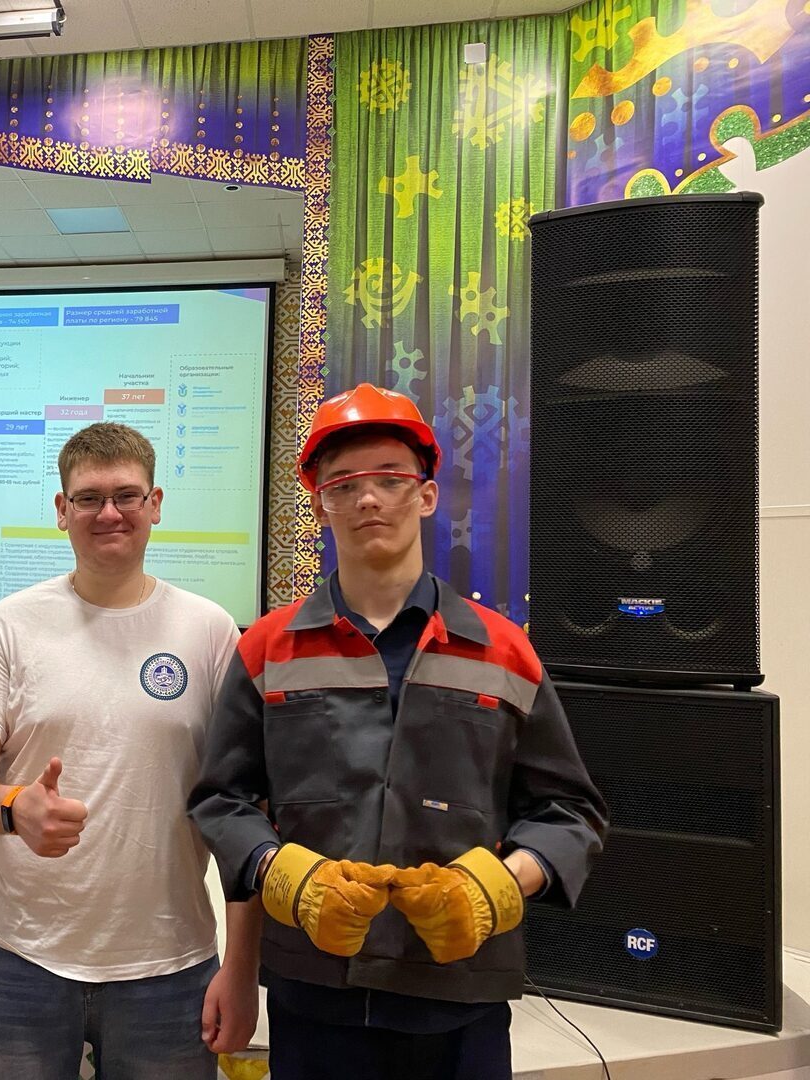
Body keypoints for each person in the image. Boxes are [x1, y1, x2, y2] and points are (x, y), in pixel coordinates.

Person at [188, 384, 608, 1080]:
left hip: (461, 999)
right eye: (343, 485)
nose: (368, 499)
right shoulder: (268, 649)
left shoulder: (502, 650)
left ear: (427, 495)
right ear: (320, 505)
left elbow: (571, 812)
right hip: (313, 995)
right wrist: (279, 871)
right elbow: (221, 800)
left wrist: (499, 886)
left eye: (390, 479)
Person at [0, 422, 258, 1079]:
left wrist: (244, 965)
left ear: (155, 504)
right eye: (89, 498)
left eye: (127, 495)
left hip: (169, 967)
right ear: (62, 510)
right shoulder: (10, 625)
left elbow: (244, 806)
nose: (110, 513)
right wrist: (13, 806)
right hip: (12, 961)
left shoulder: (210, 630)